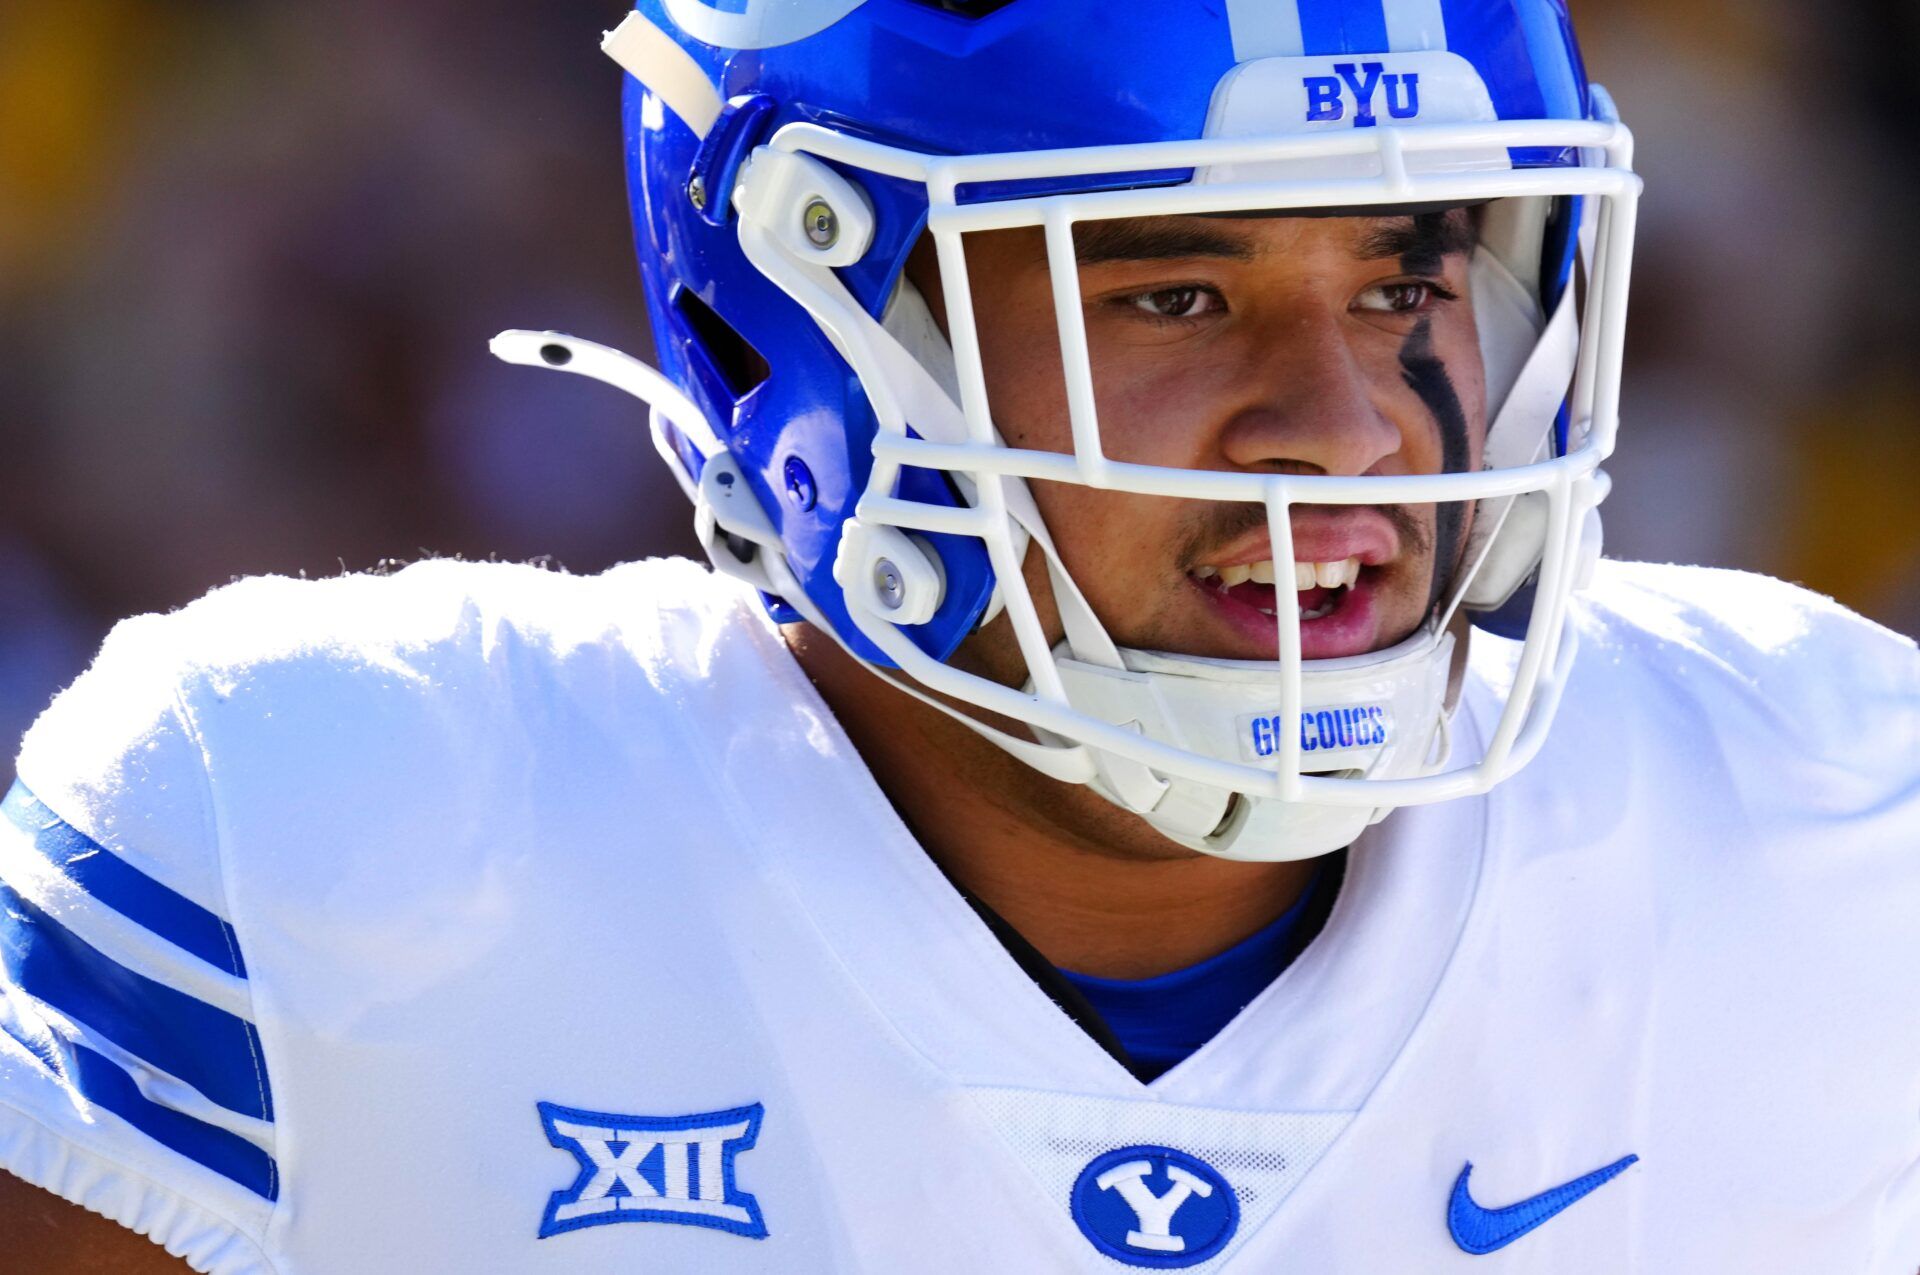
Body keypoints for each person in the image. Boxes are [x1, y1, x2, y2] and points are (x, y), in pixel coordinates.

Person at [2, 1, 1915, 1270]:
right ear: (810, 327)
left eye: (1408, 274)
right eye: (1174, 291)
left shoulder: (1821, 813)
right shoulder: (328, 824)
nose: (1346, 423)